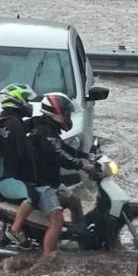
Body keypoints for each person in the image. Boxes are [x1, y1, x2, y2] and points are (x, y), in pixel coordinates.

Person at [27, 92, 97, 258]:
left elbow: (64, 149)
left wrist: (87, 156)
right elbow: (59, 156)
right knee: (57, 220)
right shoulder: (43, 133)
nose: (68, 116)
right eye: (65, 112)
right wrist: (81, 165)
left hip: (51, 182)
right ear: (56, 112)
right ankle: (47, 259)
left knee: (75, 201)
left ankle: (78, 240)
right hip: (41, 185)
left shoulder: (50, 131)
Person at [0, 83, 39, 250]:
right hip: (5, 179)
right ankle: (15, 230)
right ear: (17, 102)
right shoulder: (15, 125)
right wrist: (33, 178)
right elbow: (23, 155)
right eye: (26, 100)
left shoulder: (1, 121)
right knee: (34, 195)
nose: (29, 104)